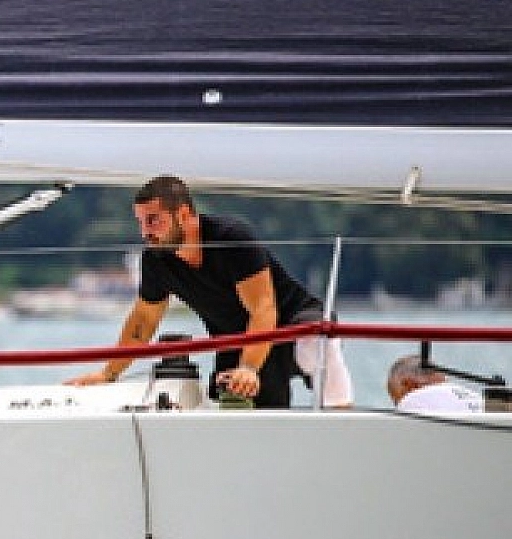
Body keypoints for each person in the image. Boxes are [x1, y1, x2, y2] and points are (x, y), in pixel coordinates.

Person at [66, 175, 353, 407]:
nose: (145, 231)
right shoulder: (156, 258)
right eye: (140, 222)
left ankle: (344, 424)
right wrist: (108, 374)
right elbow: (144, 320)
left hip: (289, 323)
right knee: (236, 403)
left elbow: (263, 308)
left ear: (185, 214)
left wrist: (250, 368)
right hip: (236, 340)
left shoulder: (231, 237)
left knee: (317, 342)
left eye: (153, 220)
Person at [386, 354, 484, 415]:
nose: (399, 407)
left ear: (409, 386)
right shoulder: (474, 396)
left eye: (397, 401)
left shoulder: (414, 400)